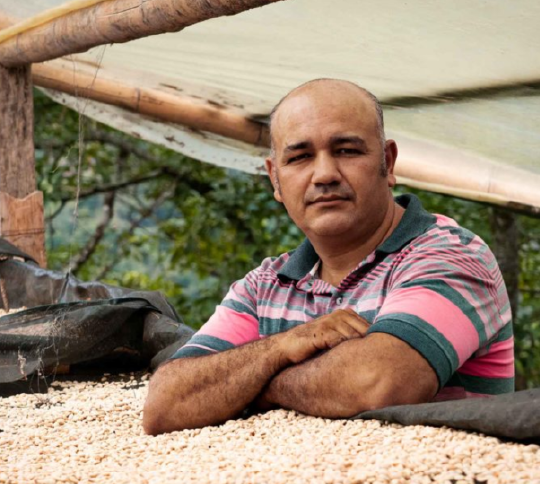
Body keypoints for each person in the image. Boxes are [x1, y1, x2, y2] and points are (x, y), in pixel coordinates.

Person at [143, 79, 514, 435]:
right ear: (275, 179)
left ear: (388, 162)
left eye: (347, 151)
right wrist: (281, 345)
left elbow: (378, 382)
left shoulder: (450, 255)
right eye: (300, 157)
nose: (324, 174)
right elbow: (166, 402)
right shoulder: (264, 285)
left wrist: (254, 382)